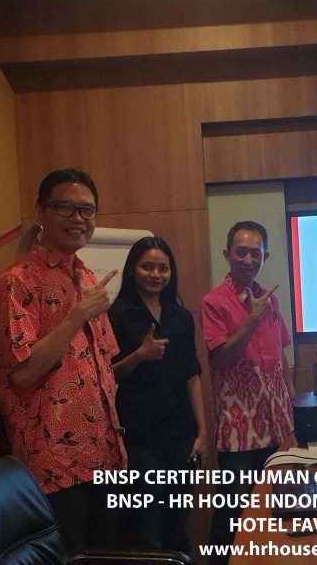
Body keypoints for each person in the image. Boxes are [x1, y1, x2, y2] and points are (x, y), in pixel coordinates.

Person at [0, 168, 123, 554]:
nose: (78, 218)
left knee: (106, 557)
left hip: (104, 456)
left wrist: (117, 440)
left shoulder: (86, 277)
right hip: (54, 465)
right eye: (65, 207)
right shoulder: (17, 281)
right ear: (41, 212)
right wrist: (77, 314)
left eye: (87, 210)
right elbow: (23, 373)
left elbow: (102, 369)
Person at [200, 221, 295, 563]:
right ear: (227, 255)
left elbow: (282, 356)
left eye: (256, 253)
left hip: (277, 425)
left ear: (265, 256)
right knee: (233, 514)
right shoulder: (214, 302)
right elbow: (221, 359)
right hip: (239, 430)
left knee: (274, 510)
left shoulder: (271, 299)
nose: (248, 259)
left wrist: (293, 408)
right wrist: (252, 319)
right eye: (241, 252)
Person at [107, 236, 208, 554]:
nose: (155, 274)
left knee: (177, 527)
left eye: (163, 268)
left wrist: (202, 432)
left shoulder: (181, 316)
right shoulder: (116, 315)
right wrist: (140, 355)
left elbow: (192, 376)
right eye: (147, 267)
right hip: (140, 439)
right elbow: (105, 377)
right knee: (147, 531)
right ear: (132, 270)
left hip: (181, 436)